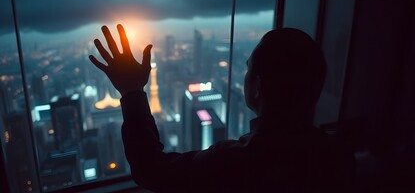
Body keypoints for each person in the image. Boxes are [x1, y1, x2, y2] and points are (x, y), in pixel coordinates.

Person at [89, 24, 355, 193]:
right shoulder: (339, 155)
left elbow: (153, 171)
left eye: (249, 69)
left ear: (258, 86)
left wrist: (132, 91)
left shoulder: (238, 161)